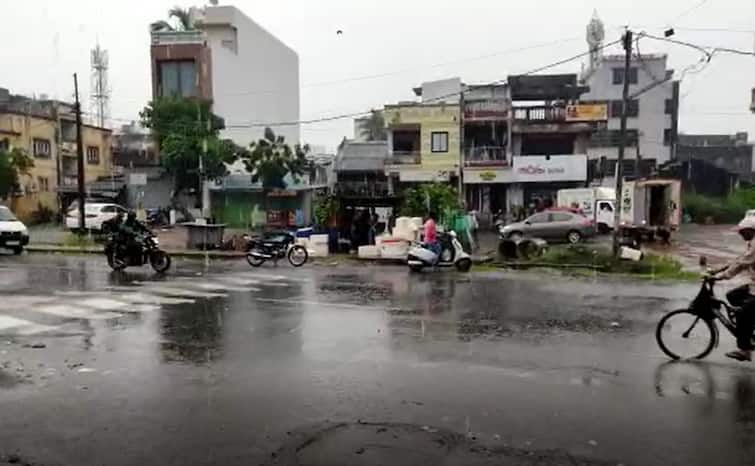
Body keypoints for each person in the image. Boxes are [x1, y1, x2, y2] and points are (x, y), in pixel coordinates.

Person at [713, 217, 755, 361]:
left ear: (751, 230)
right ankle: (749, 329)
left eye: (743, 232)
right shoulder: (752, 243)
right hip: (753, 286)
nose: (740, 234)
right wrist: (718, 269)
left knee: (743, 314)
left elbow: (742, 264)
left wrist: (722, 276)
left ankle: (745, 350)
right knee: (733, 296)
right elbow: (739, 259)